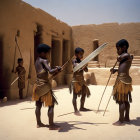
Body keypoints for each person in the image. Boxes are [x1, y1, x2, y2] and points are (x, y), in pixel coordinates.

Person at [32, 44, 62, 130]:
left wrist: (57, 70)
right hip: (44, 86)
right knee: (51, 105)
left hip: (37, 85)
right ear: (42, 53)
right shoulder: (44, 60)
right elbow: (50, 71)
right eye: (47, 53)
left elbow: (45, 73)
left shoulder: (37, 60)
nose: (48, 55)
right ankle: (51, 125)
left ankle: (39, 123)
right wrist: (58, 68)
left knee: (38, 105)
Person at [110, 39, 133, 125]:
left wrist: (120, 57)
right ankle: (126, 117)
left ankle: (121, 120)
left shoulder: (127, 55)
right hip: (125, 79)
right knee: (126, 100)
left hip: (122, 81)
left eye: (118, 49)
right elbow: (122, 68)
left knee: (121, 101)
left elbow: (123, 57)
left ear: (124, 47)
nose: (117, 51)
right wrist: (115, 70)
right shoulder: (125, 57)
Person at [70, 47, 91, 116]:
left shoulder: (82, 62)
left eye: (82, 54)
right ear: (76, 54)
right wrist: (82, 66)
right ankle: (75, 110)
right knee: (75, 96)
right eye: (80, 54)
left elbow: (86, 70)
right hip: (76, 80)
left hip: (82, 80)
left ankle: (82, 107)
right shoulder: (74, 61)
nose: (82, 56)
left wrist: (85, 67)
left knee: (84, 93)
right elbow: (77, 68)